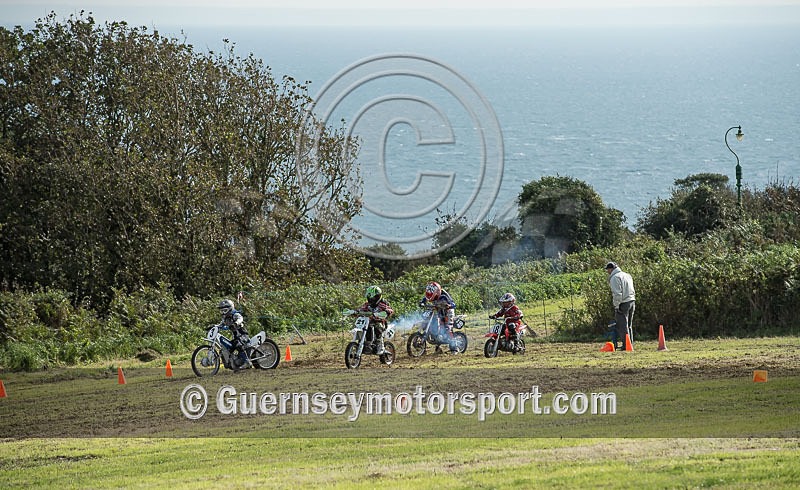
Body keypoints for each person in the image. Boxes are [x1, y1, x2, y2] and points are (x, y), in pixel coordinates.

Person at [419, 281, 459, 353]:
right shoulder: (430, 293)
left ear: (437, 292)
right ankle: (434, 347)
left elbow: (453, 304)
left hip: (448, 312)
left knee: (448, 328)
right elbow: (425, 299)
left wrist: (449, 305)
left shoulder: (444, 296)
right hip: (439, 311)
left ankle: (454, 348)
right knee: (433, 326)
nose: (432, 298)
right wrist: (422, 302)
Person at [354, 286, 394, 354]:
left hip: (380, 322)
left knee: (378, 327)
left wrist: (386, 312)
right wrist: (356, 312)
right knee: (363, 327)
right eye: (370, 297)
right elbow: (361, 309)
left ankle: (380, 345)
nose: (372, 299)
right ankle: (365, 344)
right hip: (369, 322)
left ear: (378, 296)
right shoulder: (367, 305)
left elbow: (390, 310)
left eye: (373, 297)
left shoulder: (382, 304)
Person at [605, 262, 636, 350]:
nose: (607, 272)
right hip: (632, 300)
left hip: (623, 303)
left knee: (622, 326)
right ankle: (630, 344)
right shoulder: (627, 275)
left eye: (607, 270)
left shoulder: (614, 278)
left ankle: (626, 345)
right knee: (629, 325)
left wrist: (616, 306)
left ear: (611, 269)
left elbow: (617, 294)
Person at [218, 299, 252, 369]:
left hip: (243, 334)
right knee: (227, 348)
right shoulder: (225, 318)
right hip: (236, 336)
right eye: (222, 311)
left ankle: (247, 362)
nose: (223, 312)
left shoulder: (235, 314)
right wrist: (215, 326)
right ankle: (230, 363)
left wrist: (236, 323)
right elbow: (221, 325)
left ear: (230, 308)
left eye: (225, 310)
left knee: (238, 344)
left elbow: (240, 318)